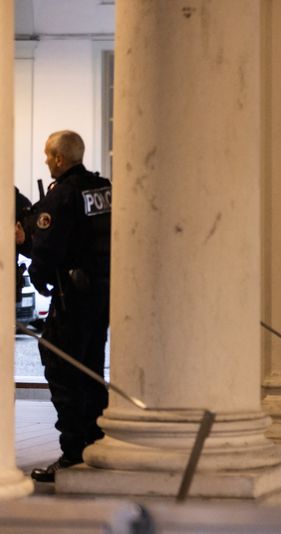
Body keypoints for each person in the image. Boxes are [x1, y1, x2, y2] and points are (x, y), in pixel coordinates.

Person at [28, 130, 112, 483]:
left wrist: (37, 276)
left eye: (48, 156)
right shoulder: (103, 188)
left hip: (71, 297)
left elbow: (48, 250)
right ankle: (97, 439)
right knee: (91, 367)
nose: (46, 161)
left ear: (60, 159)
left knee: (62, 368)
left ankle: (74, 450)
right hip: (101, 295)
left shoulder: (61, 195)